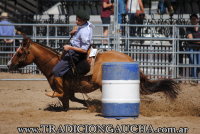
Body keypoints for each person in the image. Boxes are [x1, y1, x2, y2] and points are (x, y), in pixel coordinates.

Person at [45, 10, 94, 97]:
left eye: (78, 20)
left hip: (76, 53)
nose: (76, 21)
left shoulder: (84, 32)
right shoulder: (84, 25)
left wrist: (70, 47)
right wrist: (73, 33)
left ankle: (60, 92)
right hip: (73, 49)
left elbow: (84, 50)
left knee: (56, 70)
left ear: (83, 21)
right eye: (76, 19)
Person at [186, 13, 200, 79]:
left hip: (198, 47)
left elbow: (192, 39)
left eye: (195, 19)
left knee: (198, 63)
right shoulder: (189, 28)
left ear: (197, 19)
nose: (194, 20)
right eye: (192, 19)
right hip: (191, 47)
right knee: (194, 63)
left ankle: (197, 77)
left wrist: (196, 41)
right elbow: (190, 38)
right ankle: (194, 78)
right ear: (190, 20)